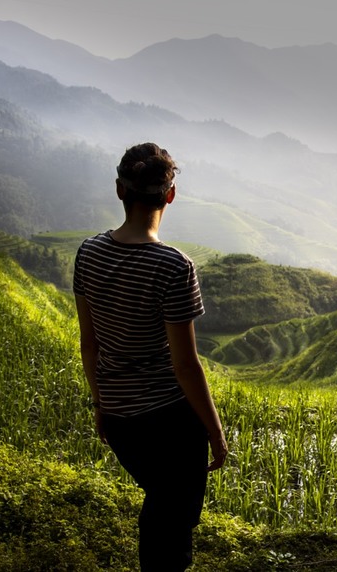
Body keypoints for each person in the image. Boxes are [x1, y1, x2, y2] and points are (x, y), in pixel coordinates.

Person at [73, 142, 228, 571]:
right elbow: (185, 365)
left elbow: (90, 344)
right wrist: (214, 431)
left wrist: (101, 405)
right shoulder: (174, 267)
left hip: (122, 421)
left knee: (163, 506)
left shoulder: (88, 253)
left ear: (120, 191)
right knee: (171, 523)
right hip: (170, 423)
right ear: (170, 195)